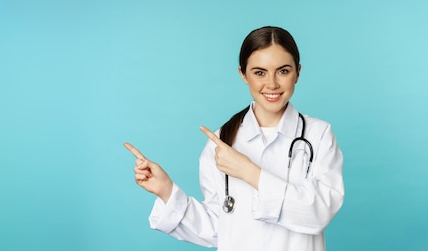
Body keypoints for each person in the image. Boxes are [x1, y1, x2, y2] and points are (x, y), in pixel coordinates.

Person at [123, 26, 344, 251]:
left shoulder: (318, 135)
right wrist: (167, 191)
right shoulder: (221, 142)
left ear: (297, 72)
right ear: (243, 74)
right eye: (259, 72)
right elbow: (218, 228)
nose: (272, 84)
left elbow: (319, 213)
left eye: (283, 71)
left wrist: (249, 172)